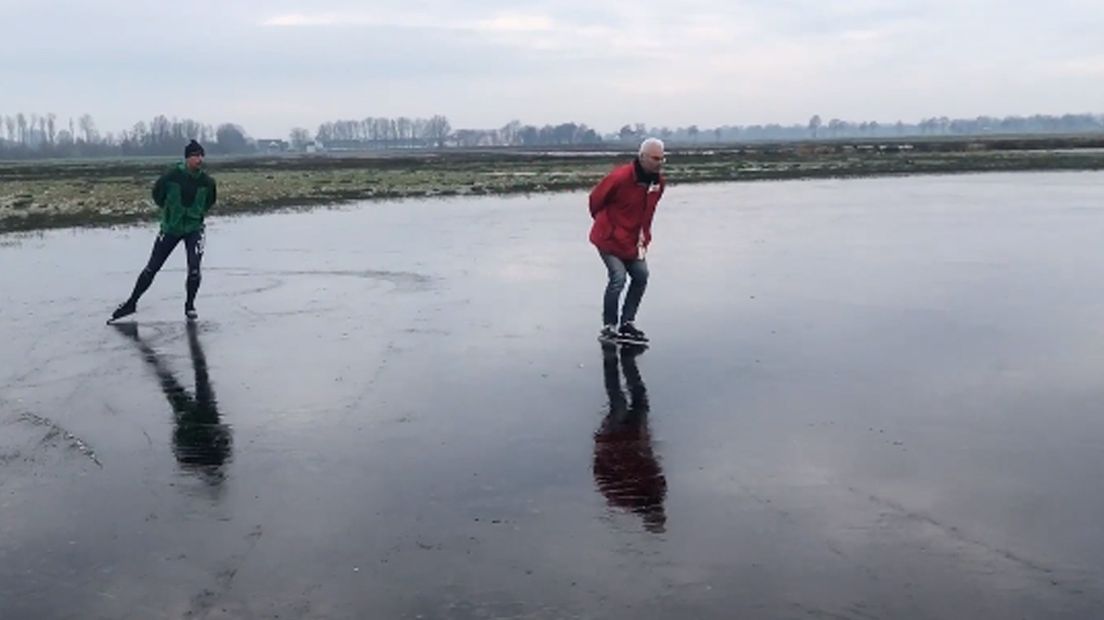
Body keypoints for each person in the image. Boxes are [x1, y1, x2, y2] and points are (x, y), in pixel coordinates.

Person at [109, 139, 217, 322]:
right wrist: (170, 213)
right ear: (187, 158)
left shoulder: (207, 182)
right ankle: (131, 303)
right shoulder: (170, 177)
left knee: (194, 270)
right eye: (195, 156)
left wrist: (196, 214)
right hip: (171, 228)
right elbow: (158, 196)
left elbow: (209, 202)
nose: (199, 159)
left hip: (194, 229)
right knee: (152, 268)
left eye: (201, 155)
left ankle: (190, 306)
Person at [588, 137, 666, 343]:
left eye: (662, 159)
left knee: (641, 276)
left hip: (633, 242)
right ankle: (609, 326)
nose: (658, 163)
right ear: (642, 157)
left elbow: (647, 213)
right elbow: (595, 200)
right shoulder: (620, 178)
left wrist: (643, 238)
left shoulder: (658, 183)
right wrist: (605, 224)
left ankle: (627, 323)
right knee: (618, 278)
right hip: (609, 239)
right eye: (655, 158)